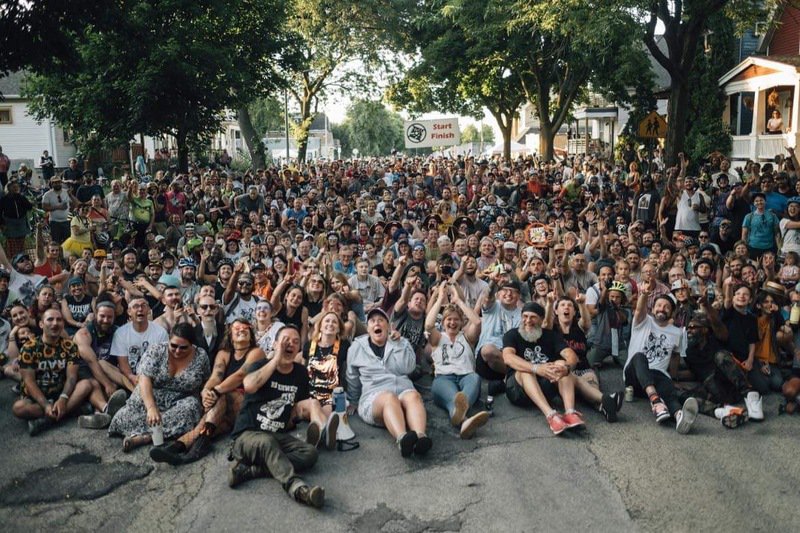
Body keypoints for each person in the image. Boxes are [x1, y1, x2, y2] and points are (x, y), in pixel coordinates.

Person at [228, 326, 325, 509]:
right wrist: (275, 359)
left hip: (275, 435)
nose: (290, 344)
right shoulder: (260, 365)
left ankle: (251, 471)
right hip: (246, 435)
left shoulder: (301, 373)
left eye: (295, 342)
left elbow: (298, 406)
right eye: (285, 340)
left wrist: (317, 413)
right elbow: (248, 386)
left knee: (310, 454)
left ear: (298, 350)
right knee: (266, 443)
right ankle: (298, 488)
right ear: (275, 344)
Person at [150, 319, 265, 465]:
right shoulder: (224, 353)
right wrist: (206, 391)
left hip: (247, 404)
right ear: (230, 334)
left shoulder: (257, 352)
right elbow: (216, 376)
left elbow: (240, 375)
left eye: (245, 328)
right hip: (228, 412)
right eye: (237, 328)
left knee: (221, 397)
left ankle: (187, 448)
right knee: (209, 425)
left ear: (251, 334)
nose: (241, 330)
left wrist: (215, 392)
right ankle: (178, 448)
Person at [108, 323, 210, 452]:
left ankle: (145, 437)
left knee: (190, 411)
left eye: (183, 348)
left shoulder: (201, 356)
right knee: (124, 418)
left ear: (192, 345)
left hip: (182, 400)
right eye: (173, 346)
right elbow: (144, 379)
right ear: (168, 340)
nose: (177, 351)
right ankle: (153, 431)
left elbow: (206, 380)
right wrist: (151, 408)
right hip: (151, 394)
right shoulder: (157, 350)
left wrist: (206, 394)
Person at [346, 308, 431, 457]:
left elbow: (409, 368)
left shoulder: (401, 342)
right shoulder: (356, 347)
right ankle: (402, 438)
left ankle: (420, 438)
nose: (376, 323)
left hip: (403, 392)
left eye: (381, 320)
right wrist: (353, 400)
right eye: (372, 321)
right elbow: (352, 376)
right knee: (389, 398)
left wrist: (398, 345)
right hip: (375, 397)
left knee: (413, 396)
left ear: (388, 325)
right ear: (368, 328)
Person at [625, 278, 699, 433]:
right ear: (653, 309)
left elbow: (674, 358)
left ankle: (679, 415)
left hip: (658, 377)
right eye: (659, 305)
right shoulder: (644, 322)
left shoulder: (677, 332)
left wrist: (674, 378)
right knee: (639, 356)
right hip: (635, 377)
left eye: (666, 307)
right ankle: (655, 401)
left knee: (667, 386)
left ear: (672, 312)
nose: (662, 309)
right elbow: (639, 310)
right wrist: (644, 295)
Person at [502, 301, 584, 435]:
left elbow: (571, 356)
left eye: (533, 317)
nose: (528, 320)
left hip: (546, 386)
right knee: (526, 371)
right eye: (525, 316)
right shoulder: (512, 334)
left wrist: (567, 368)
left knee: (561, 364)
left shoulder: (550, 335)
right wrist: (536, 368)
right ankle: (551, 415)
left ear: (541, 319)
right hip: (518, 390)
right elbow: (508, 357)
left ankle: (570, 412)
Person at [13, 308, 93, 436]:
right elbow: (29, 381)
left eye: (59, 320)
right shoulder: (29, 348)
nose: (55, 323)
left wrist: (63, 398)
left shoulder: (70, 346)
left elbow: (71, 377)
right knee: (18, 408)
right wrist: (45, 405)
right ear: (41, 324)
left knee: (86, 385)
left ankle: (46, 421)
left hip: (61, 392)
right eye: (50, 319)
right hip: (37, 398)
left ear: (63, 324)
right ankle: (72, 410)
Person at [425, 283, 490, 438]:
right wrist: (440, 297)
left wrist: (459, 301)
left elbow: (477, 322)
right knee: (452, 397)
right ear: (443, 322)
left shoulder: (467, 338)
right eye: (448, 320)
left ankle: (461, 419)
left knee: (474, 379)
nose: (452, 323)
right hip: (443, 378)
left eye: (456, 320)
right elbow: (428, 324)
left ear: (461, 323)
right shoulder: (438, 338)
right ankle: (463, 417)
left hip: (467, 375)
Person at [109, 296, 170, 390]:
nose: (140, 309)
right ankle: (133, 392)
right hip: (129, 377)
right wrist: (131, 377)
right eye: (136, 306)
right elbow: (123, 362)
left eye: (143, 306)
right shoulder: (121, 333)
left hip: (152, 376)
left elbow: (163, 360)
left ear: (149, 310)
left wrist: (147, 380)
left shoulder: (160, 332)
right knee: (104, 365)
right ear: (129, 312)